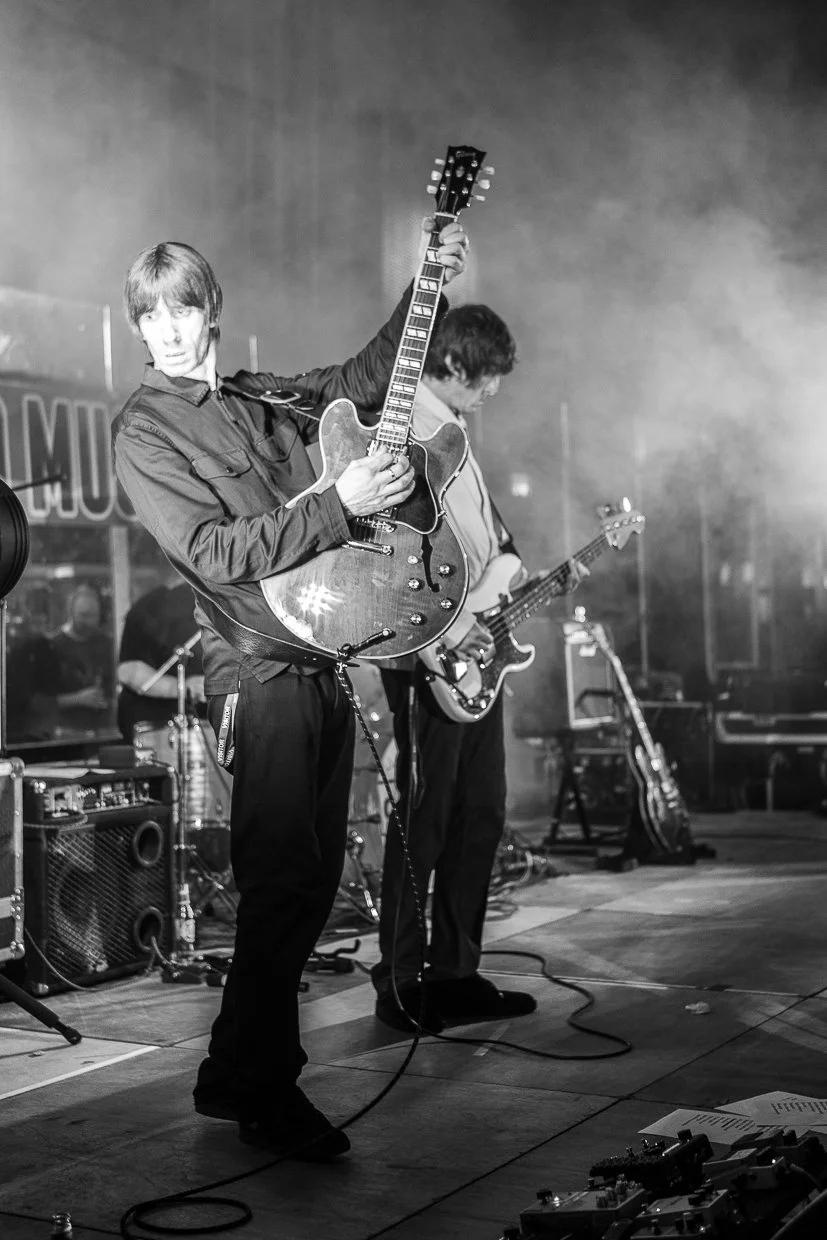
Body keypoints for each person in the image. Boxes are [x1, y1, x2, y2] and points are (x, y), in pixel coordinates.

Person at [111, 223, 468, 1163]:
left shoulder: (260, 396)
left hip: (319, 659)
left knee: (304, 885)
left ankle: (236, 1077)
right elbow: (215, 553)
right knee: (279, 885)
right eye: (151, 317)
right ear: (138, 329)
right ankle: (263, 1088)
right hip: (255, 672)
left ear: (210, 310)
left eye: (182, 309)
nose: (169, 330)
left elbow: (364, 377)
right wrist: (339, 501)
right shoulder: (145, 428)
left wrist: (423, 279)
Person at [371, 304, 582, 1034]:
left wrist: (496, 597)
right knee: (421, 824)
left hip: (473, 659)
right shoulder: (403, 433)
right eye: (486, 377)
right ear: (455, 365)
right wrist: (445, 634)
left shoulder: (459, 441)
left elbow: (496, 542)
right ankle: (399, 979)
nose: (493, 391)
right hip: (427, 659)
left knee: (480, 815)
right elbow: (388, 561)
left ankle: (456, 971)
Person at [117, 575, 205, 742]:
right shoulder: (151, 607)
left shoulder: (222, 605)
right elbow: (128, 672)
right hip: (156, 732)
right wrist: (184, 687)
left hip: (203, 731)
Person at [51, 583, 115, 735]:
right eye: (84, 615)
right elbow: (40, 702)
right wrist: (78, 699)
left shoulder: (105, 643)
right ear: (72, 613)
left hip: (102, 730)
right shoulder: (53, 646)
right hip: (66, 732)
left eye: (94, 616)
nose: (90, 621)